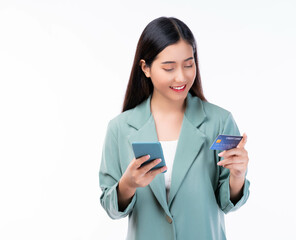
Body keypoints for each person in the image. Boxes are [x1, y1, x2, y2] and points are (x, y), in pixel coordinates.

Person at [99, 17, 250, 240]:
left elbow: (227, 203)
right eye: (169, 67)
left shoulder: (220, 121)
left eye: (189, 65)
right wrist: (128, 184)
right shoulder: (120, 128)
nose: (181, 76)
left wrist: (238, 175)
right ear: (146, 68)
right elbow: (110, 205)